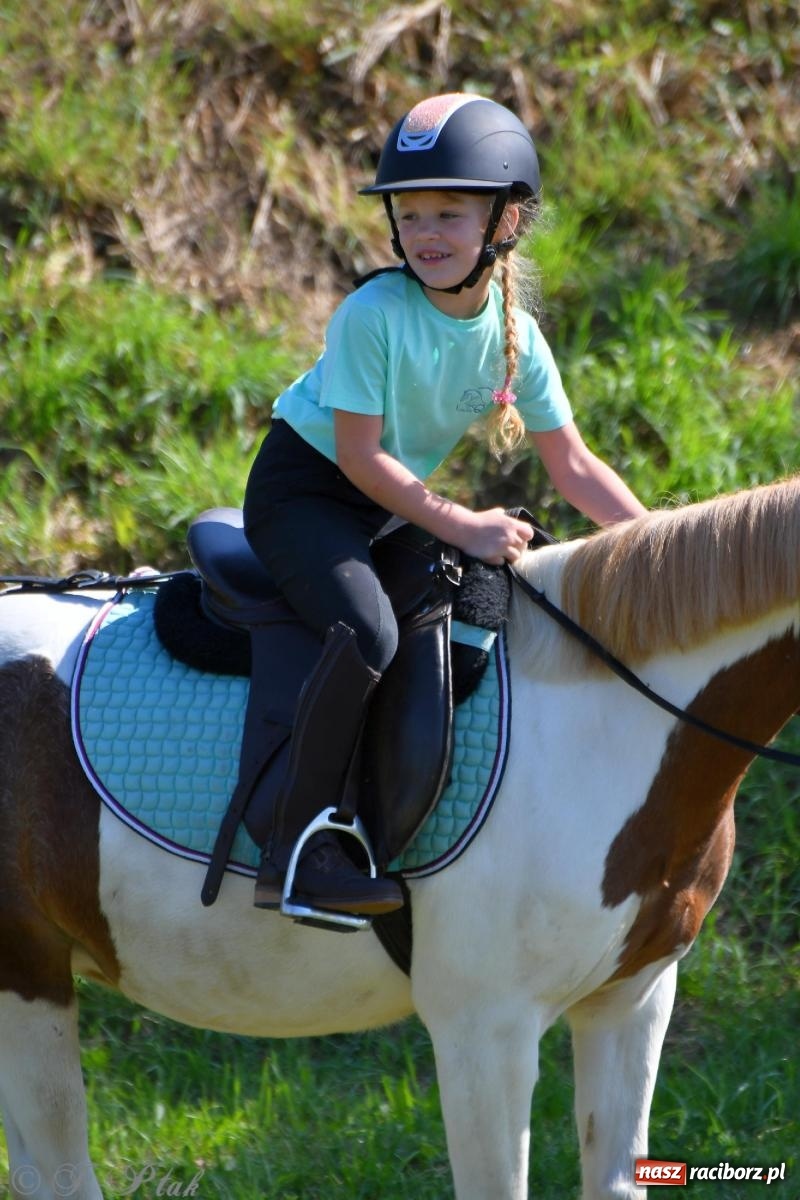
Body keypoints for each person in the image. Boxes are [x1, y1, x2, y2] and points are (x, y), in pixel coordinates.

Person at [243, 92, 646, 920]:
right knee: (368, 632)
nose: (426, 233)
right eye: (411, 215)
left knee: (476, 601)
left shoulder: (515, 335)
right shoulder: (371, 315)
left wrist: (656, 544)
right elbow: (359, 456)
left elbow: (573, 465)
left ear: (505, 221)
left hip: (379, 504)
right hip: (305, 494)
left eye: (449, 214)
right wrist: (465, 523)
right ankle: (299, 852)